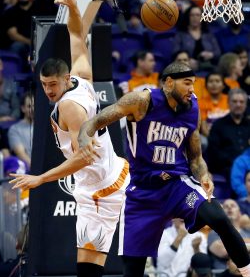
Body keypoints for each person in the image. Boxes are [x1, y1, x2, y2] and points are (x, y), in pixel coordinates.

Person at [75, 61, 250, 277]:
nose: (192, 90)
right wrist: (84, 138)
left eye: (194, 84)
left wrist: (204, 175)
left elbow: (195, 157)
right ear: (168, 83)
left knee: (219, 217)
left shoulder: (192, 108)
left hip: (176, 186)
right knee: (133, 269)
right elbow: (94, 122)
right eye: (187, 83)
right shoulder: (141, 101)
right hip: (142, 193)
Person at [9, 0, 130, 277]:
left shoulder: (68, 106)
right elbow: (78, 34)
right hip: (107, 177)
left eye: (52, 85)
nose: (48, 91)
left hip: (100, 188)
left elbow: (84, 157)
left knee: (87, 268)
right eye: (44, 85)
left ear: (64, 80)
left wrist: (40, 178)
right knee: (91, 266)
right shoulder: (82, 76)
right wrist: (75, 6)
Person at [206, 88, 250, 180]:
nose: (238, 104)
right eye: (234, 101)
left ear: (246, 105)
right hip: (228, 167)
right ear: (228, 103)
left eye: (241, 102)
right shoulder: (218, 125)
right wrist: (236, 161)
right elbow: (214, 152)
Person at [208, 199, 250, 271]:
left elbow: (230, 248)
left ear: (240, 213)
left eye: (233, 206)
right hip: (222, 273)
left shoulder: (247, 231)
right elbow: (223, 252)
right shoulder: (214, 233)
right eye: (225, 207)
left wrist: (229, 244)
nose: (229, 208)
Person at [8, 92, 34, 171]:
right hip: (30, 171)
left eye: (34, 106)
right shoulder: (15, 129)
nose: (33, 109)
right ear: (23, 108)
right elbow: (22, 155)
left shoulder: (44, 126)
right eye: (29, 106)